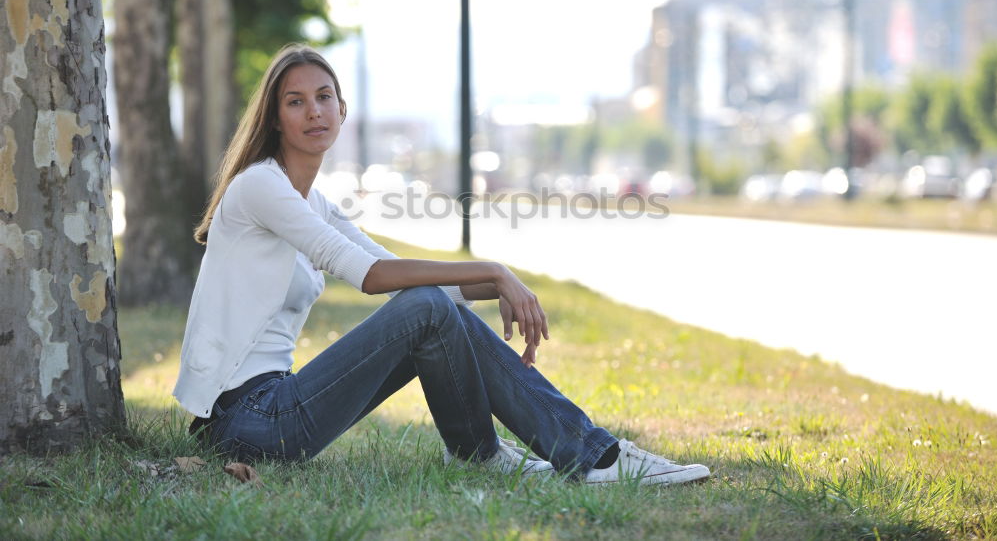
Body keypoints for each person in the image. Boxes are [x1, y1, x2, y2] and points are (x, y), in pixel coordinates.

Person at [173, 43, 710, 486]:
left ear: (342, 109)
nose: (313, 111)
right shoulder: (261, 187)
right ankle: (596, 456)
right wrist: (493, 269)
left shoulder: (312, 202)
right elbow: (370, 277)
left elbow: (387, 267)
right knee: (426, 306)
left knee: (431, 309)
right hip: (250, 418)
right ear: (275, 118)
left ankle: (481, 454)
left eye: (323, 97)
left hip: (270, 413)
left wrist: (491, 285)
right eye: (295, 102)